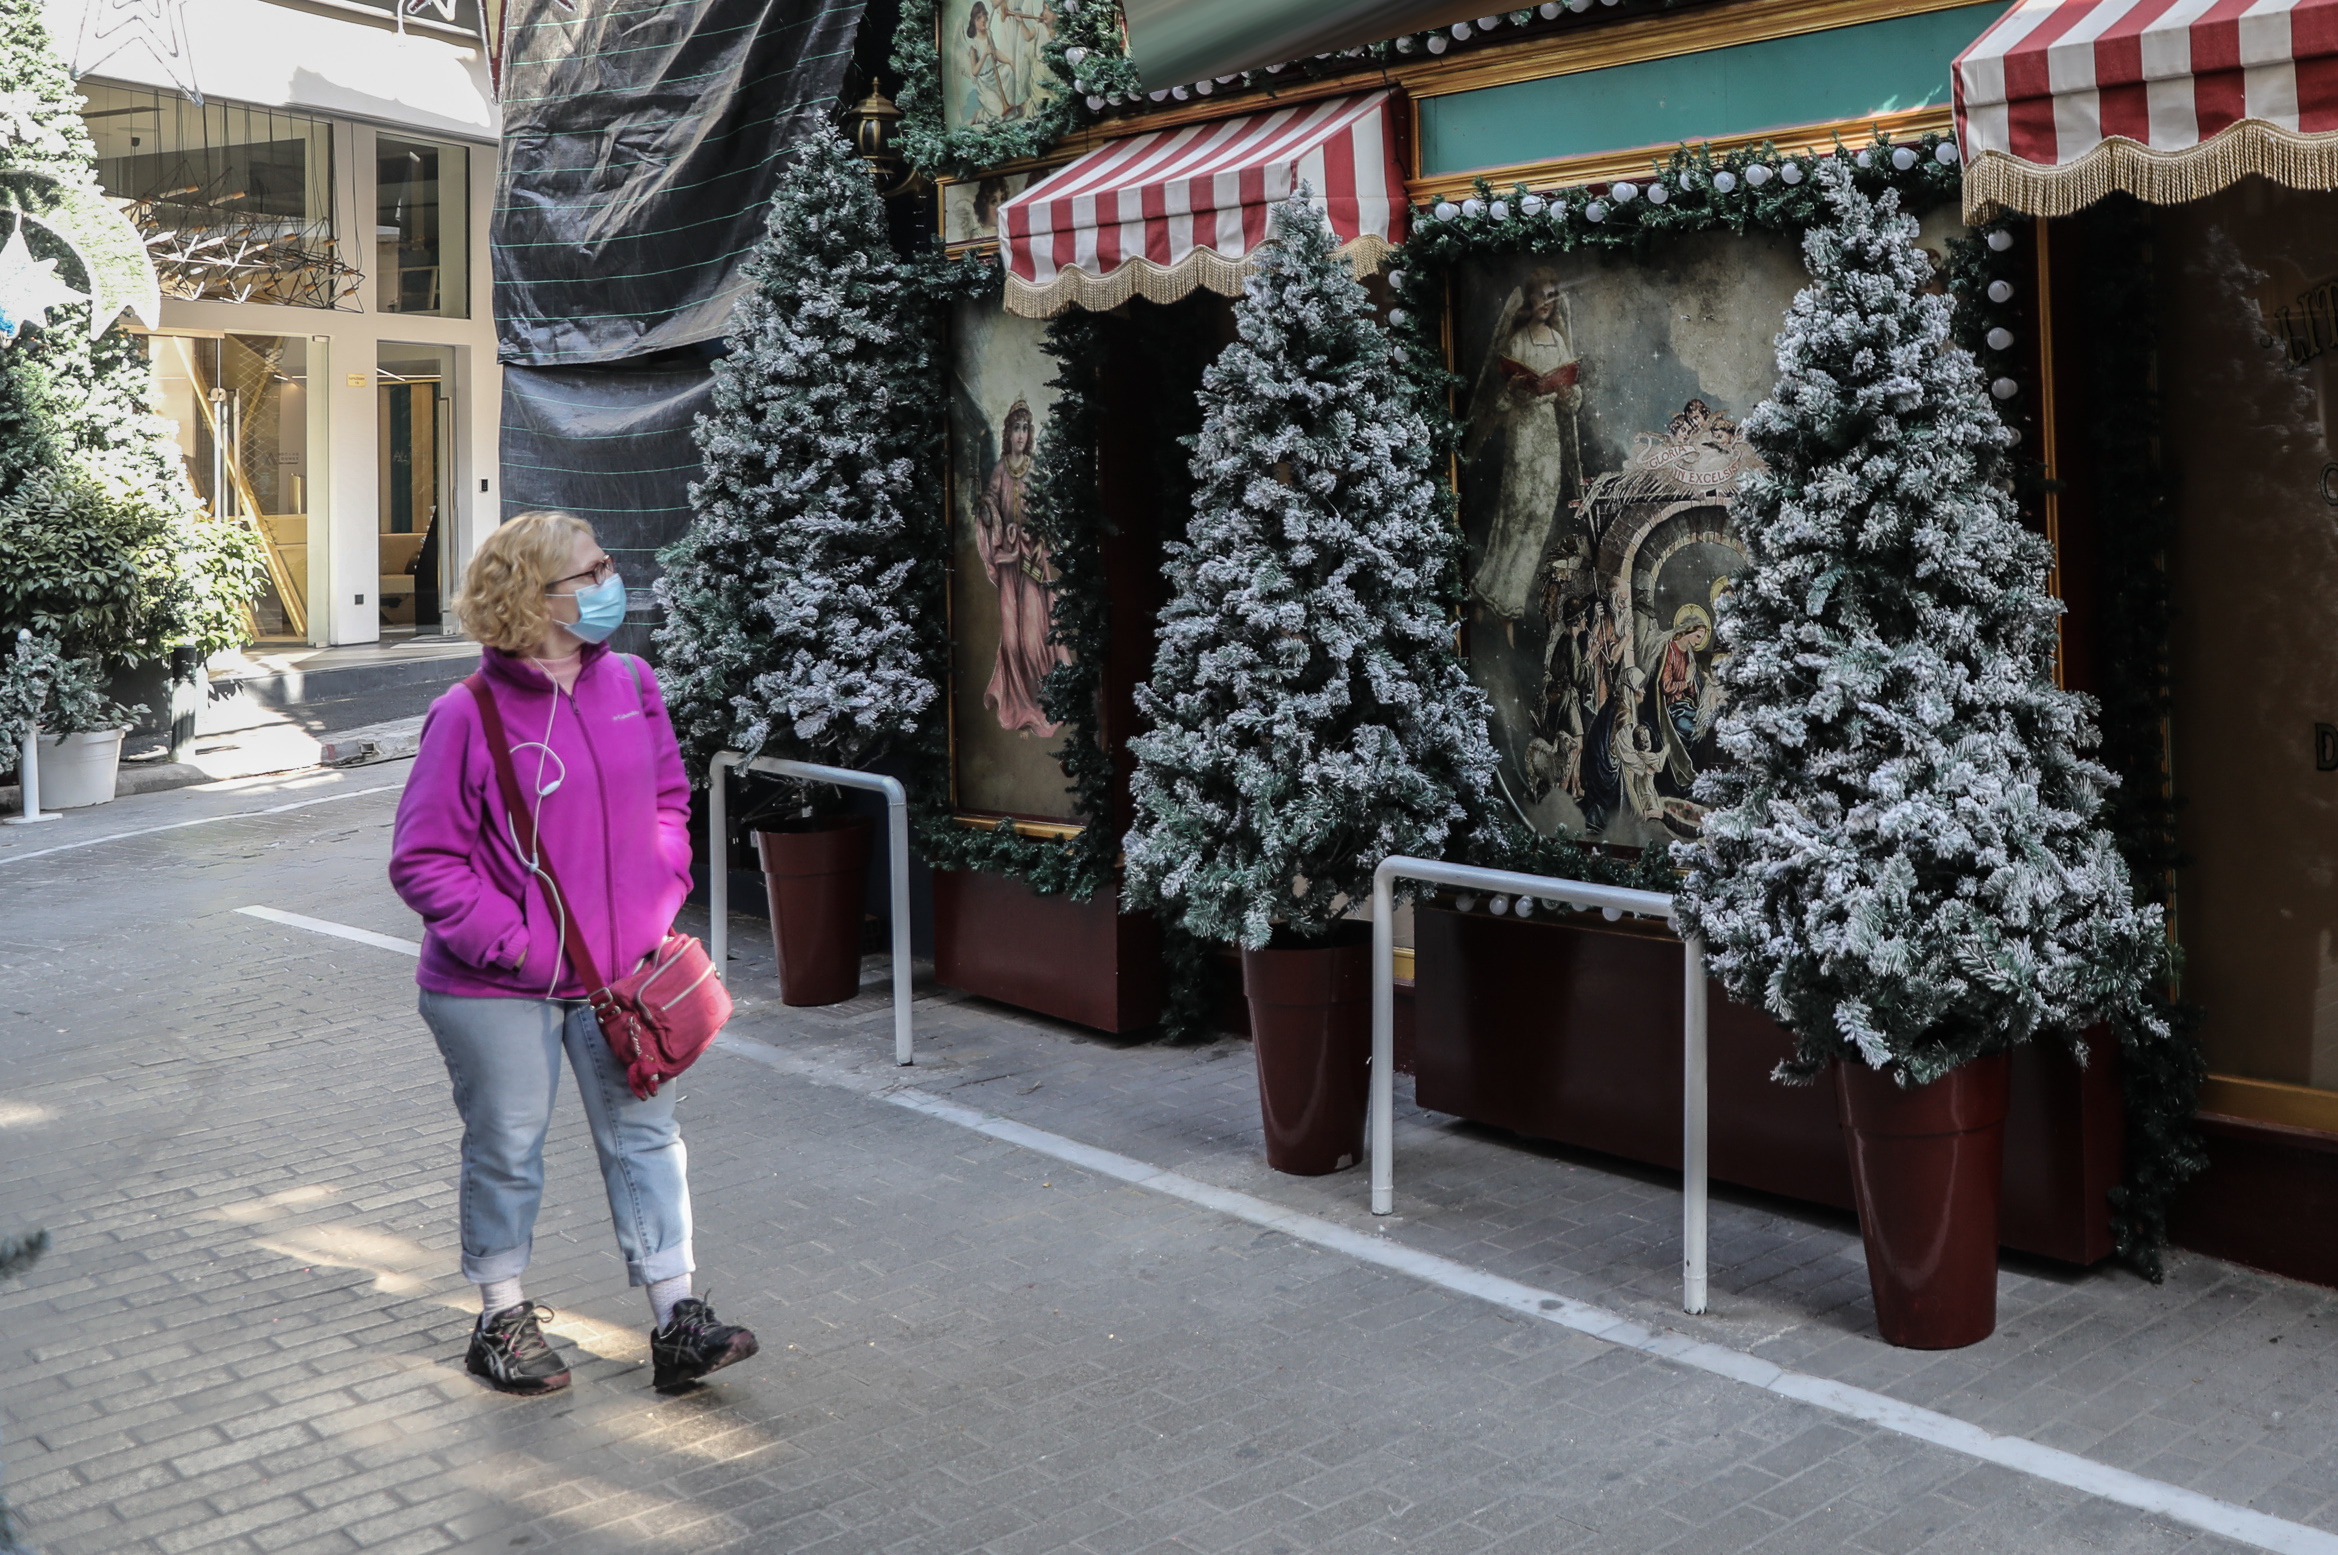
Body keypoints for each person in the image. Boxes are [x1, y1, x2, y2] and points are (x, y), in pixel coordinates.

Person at [389, 511, 757, 1396]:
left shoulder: (630, 680)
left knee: (647, 1139)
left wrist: (659, 892)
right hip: (492, 984)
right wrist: (520, 946)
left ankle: (678, 1319)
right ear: (535, 597)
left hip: (621, 972)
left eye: (606, 568)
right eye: (590, 574)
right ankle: (500, 1317)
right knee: (509, 1143)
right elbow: (422, 859)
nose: (609, 585)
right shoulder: (465, 714)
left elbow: (670, 797)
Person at [1466, 267, 1582, 623]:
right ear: (1529, 300)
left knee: (1539, 516)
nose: (1545, 303)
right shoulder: (1517, 342)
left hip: (1548, 435)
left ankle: (1511, 604)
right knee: (1515, 514)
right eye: (1539, 296)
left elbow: (1574, 401)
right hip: (1523, 433)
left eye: (1551, 296)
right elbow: (1497, 403)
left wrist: (1566, 392)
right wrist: (1513, 391)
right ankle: (1487, 592)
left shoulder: (1559, 341)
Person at [975, 398, 1071, 736]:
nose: (1020, 434)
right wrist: (989, 512)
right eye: (1015, 428)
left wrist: (1039, 539)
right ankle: (1016, 705)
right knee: (1012, 639)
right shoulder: (1001, 469)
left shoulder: (1035, 468)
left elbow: (1048, 514)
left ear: (1029, 434)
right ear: (1008, 433)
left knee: (1033, 638)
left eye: (1025, 428)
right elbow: (988, 500)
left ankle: (1043, 700)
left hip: (1031, 561)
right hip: (1008, 564)